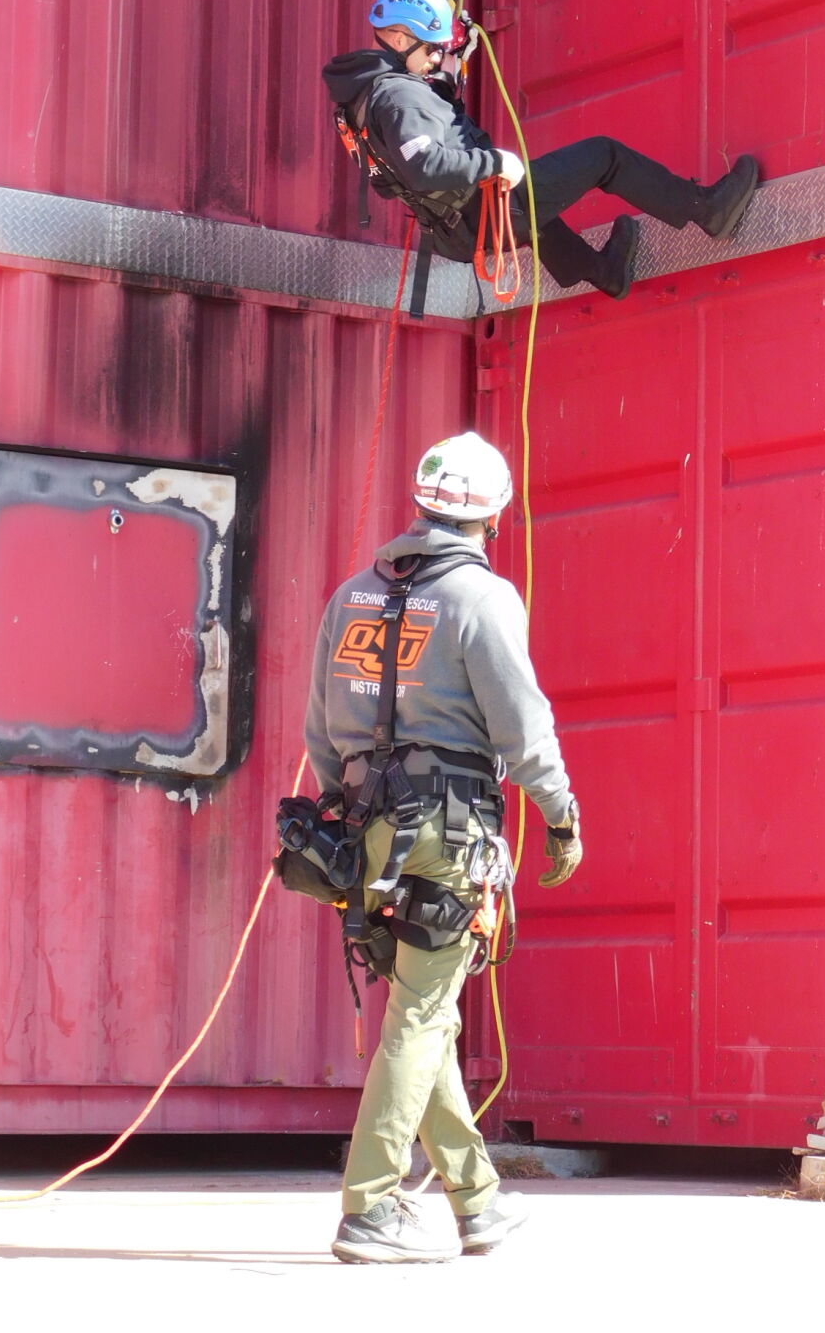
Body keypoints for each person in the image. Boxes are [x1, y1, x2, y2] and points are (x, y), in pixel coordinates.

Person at [304, 431, 582, 1264]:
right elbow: (521, 724)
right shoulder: (482, 599)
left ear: (420, 499)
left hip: (361, 831)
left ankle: (477, 1201)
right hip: (446, 832)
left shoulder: (351, 595)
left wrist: (349, 808)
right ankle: (371, 1208)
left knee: (420, 1013)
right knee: (422, 1014)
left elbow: (321, 732)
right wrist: (559, 811)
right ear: (494, 512)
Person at [323, 0, 758, 298]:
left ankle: (605, 273)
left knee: (539, 209)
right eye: (433, 49)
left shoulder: (365, 99)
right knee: (603, 156)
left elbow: (391, 176)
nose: (439, 58)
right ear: (400, 37)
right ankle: (708, 211)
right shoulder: (399, 96)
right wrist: (495, 163)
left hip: (456, 230)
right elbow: (424, 168)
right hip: (485, 210)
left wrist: (441, 89)